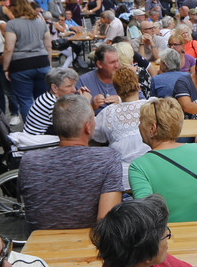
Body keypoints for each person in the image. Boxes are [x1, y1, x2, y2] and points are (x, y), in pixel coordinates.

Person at [19, 95, 122, 231]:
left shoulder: (29, 161)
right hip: (89, 241)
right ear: (88, 127)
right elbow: (106, 220)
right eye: (93, 119)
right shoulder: (108, 159)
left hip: (40, 241)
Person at [129, 97, 197, 222]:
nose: (139, 126)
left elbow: (145, 215)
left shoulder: (138, 166)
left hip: (172, 232)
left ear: (152, 128)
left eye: (141, 122)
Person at [93, 66, 151, 191]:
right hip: (150, 173)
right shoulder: (151, 106)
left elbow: (95, 135)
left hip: (120, 179)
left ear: (117, 91)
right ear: (138, 86)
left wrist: (90, 106)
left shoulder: (108, 113)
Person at [1, 0, 53, 121]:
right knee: (43, 100)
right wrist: (49, 64)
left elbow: (9, 48)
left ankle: (31, 129)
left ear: (13, 7)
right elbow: (48, 45)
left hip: (21, 65)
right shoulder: (41, 22)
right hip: (42, 62)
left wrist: (6, 68)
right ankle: (45, 127)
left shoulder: (12, 24)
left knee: (25, 101)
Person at [22, 67, 84, 136]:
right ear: (54, 88)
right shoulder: (53, 104)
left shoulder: (47, 96)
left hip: (34, 137)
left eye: (74, 85)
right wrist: (85, 102)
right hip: (38, 141)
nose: (74, 90)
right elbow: (74, 128)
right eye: (69, 86)